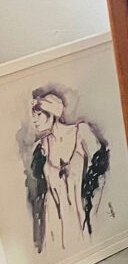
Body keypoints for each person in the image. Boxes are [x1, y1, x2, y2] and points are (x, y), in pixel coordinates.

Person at [24, 84, 111, 252]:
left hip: (86, 214)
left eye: (38, 114)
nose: (34, 120)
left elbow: (102, 174)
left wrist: (95, 208)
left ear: (52, 113)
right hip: (55, 221)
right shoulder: (41, 147)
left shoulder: (81, 132)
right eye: (33, 115)